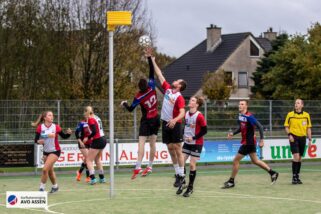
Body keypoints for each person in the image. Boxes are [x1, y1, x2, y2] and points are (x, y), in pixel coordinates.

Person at [121, 48, 160, 179]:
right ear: (147, 84)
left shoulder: (138, 96)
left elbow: (131, 109)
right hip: (156, 118)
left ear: (139, 87)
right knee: (153, 143)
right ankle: (150, 166)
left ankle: (138, 166)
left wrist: (124, 103)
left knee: (141, 143)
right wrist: (149, 58)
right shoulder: (152, 87)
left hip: (146, 120)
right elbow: (151, 71)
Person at [222, 100, 279, 189]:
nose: (239, 105)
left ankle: (231, 181)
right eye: (239, 104)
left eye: (242, 104)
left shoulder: (249, 117)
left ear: (246, 106)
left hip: (248, 143)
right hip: (249, 142)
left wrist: (262, 140)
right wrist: (233, 133)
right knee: (255, 161)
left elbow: (260, 126)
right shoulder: (240, 116)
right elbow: (241, 128)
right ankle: (272, 173)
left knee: (235, 161)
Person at [151, 54, 187, 187]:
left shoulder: (179, 97)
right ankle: (178, 173)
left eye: (177, 81)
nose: (175, 80)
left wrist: (175, 119)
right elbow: (160, 75)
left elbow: (183, 112)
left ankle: (182, 175)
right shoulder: (167, 89)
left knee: (177, 148)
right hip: (165, 122)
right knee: (170, 148)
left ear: (179, 86)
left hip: (175, 124)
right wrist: (152, 60)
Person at [32, 111, 72, 193]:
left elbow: (64, 136)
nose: (52, 117)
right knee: (49, 171)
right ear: (45, 118)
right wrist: (42, 140)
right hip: (46, 152)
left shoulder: (56, 127)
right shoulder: (40, 127)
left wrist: (68, 134)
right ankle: (55, 186)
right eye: (49, 115)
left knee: (44, 169)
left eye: (52, 115)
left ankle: (41, 189)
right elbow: (36, 140)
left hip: (55, 151)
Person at [176, 96, 207, 197]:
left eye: (193, 100)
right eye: (191, 100)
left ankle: (190, 187)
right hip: (187, 142)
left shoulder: (199, 116)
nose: (190, 101)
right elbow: (186, 127)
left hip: (196, 143)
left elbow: (204, 130)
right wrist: (182, 136)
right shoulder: (186, 114)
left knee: (192, 165)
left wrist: (193, 137)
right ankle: (183, 182)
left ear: (197, 104)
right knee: (182, 162)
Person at [284, 99, 312, 184]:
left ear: (302, 105)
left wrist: (310, 140)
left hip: (302, 138)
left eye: (298, 103)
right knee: (296, 156)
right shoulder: (290, 114)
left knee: (299, 158)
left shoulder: (306, 115)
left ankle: (297, 176)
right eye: (295, 103)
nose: (296, 104)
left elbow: (308, 128)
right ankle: (294, 177)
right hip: (293, 137)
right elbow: (286, 126)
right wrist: (289, 135)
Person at [83, 106, 107, 185]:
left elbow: (94, 131)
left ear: (87, 112)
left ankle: (92, 178)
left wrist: (87, 138)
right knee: (97, 160)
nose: (84, 115)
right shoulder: (97, 117)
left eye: (84, 113)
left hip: (97, 140)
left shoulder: (90, 119)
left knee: (88, 160)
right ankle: (102, 177)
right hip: (103, 139)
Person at [75, 117, 92, 183]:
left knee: (86, 159)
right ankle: (88, 177)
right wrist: (80, 142)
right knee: (88, 158)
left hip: (90, 143)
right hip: (82, 143)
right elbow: (76, 133)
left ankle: (79, 173)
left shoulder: (92, 122)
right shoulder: (82, 123)